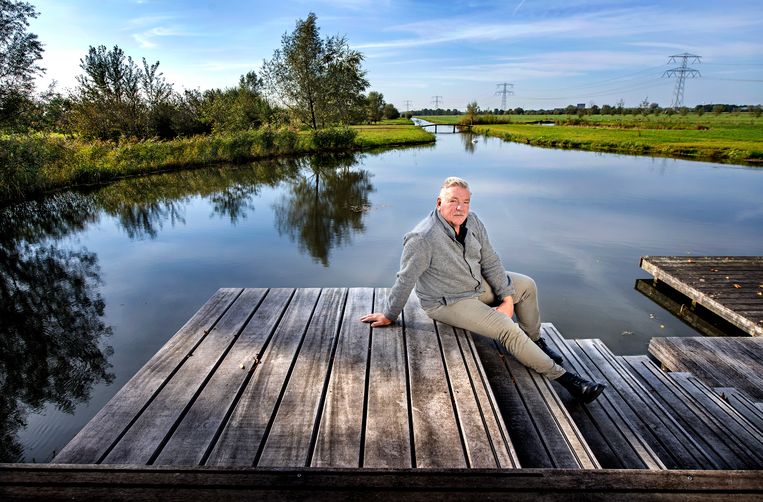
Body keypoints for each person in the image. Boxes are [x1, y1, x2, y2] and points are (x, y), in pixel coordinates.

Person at [360, 176, 605, 403]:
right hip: (447, 301)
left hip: (475, 285)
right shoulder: (422, 238)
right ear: (439, 202)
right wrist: (389, 315)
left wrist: (507, 298)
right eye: (453, 201)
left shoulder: (473, 221)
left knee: (527, 285)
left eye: (465, 202)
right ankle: (569, 381)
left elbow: (490, 260)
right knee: (506, 328)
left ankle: (535, 341)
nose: (460, 207)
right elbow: (405, 279)